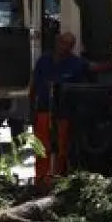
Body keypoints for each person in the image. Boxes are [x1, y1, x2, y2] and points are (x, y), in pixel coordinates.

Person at [28, 31, 89, 189]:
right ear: (57, 42)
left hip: (63, 114)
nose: (65, 47)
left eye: (69, 45)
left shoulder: (76, 64)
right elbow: (34, 84)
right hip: (43, 111)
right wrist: (31, 110)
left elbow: (89, 72)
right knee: (42, 148)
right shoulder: (44, 60)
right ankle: (41, 181)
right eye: (63, 43)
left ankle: (57, 181)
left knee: (61, 148)